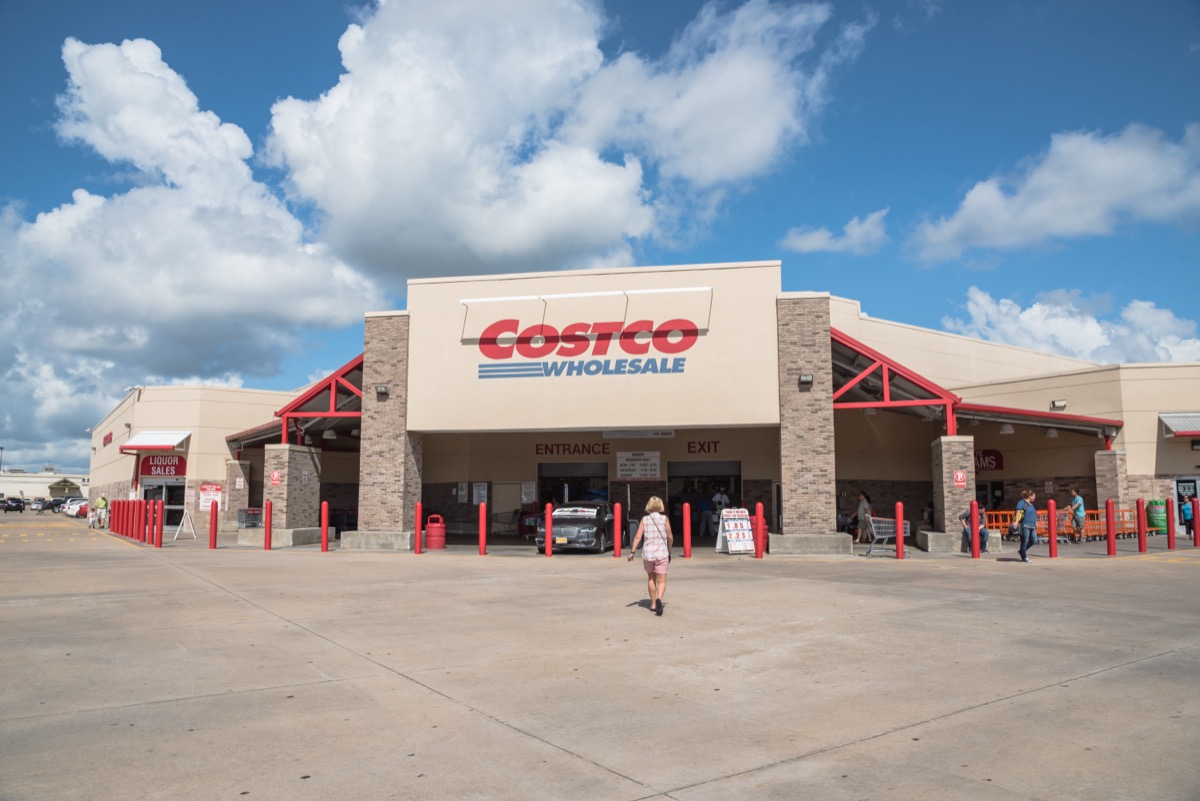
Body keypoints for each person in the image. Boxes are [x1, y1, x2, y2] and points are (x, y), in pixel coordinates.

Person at [628, 496, 674, 616]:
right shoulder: (665, 519)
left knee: (651, 578)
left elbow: (638, 536)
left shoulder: (644, 519)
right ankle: (659, 598)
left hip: (648, 553)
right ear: (660, 506)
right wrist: (670, 550)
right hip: (662, 553)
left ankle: (653, 604)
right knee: (662, 579)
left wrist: (632, 552)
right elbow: (670, 537)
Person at [1016, 490, 1038, 562]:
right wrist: (1016, 522)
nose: (1035, 497)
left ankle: (1022, 551)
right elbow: (1018, 512)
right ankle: (1024, 557)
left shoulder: (1031, 504)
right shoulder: (1022, 503)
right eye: (1034, 496)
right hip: (1025, 525)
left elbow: (1033, 514)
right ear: (1030, 496)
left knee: (1034, 540)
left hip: (1032, 525)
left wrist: (1035, 523)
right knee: (1024, 541)